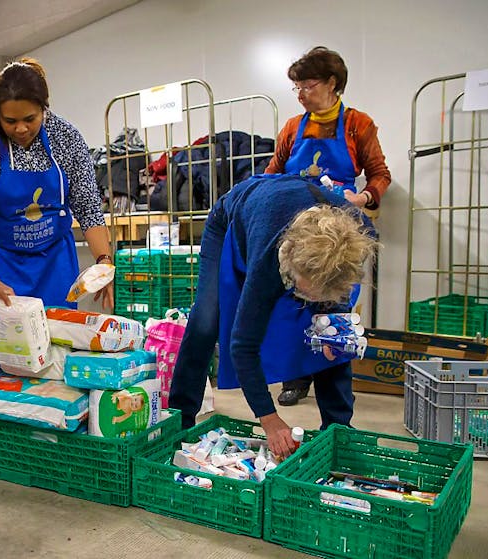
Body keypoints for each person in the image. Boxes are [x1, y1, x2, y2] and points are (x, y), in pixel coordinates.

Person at [0, 57, 114, 469]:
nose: (20, 128)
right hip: (1, 259)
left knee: (57, 344)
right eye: (10, 121)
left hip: (53, 259)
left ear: (44, 108)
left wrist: (103, 260)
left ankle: (51, 431)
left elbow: (88, 207)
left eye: (29, 118)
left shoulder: (66, 138)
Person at [167, 174, 379, 459]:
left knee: (330, 333)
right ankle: (180, 422)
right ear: (289, 263)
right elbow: (243, 344)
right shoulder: (268, 254)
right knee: (207, 320)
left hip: (293, 208)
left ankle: (338, 427)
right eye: (304, 291)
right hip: (234, 217)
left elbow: (334, 337)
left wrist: (330, 325)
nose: (308, 301)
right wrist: (269, 418)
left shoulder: (358, 235)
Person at [265, 46, 391, 407]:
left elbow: (380, 175)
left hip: (339, 228)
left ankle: (335, 398)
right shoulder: (292, 127)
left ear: (332, 83)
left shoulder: (357, 124)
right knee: (291, 302)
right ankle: (295, 376)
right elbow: (273, 172)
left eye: (307, 84)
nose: (301, 93)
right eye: (297, 87)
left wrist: (362, 199)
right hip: (296, 227)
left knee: (333, 307)